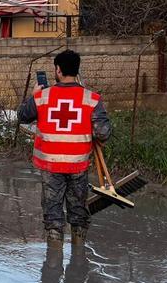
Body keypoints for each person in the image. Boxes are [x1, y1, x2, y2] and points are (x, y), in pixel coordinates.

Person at [15, 49, 112, 244]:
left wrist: (33, 96)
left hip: (50, 165)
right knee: (78, 210)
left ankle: (53, 259)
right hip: (78, 164)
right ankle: (78, 254)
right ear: (77, 70)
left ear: (58, 70)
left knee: (53, 212)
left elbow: (22, 116)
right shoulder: (91, 99)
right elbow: (103, 133)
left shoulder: (42, 97)